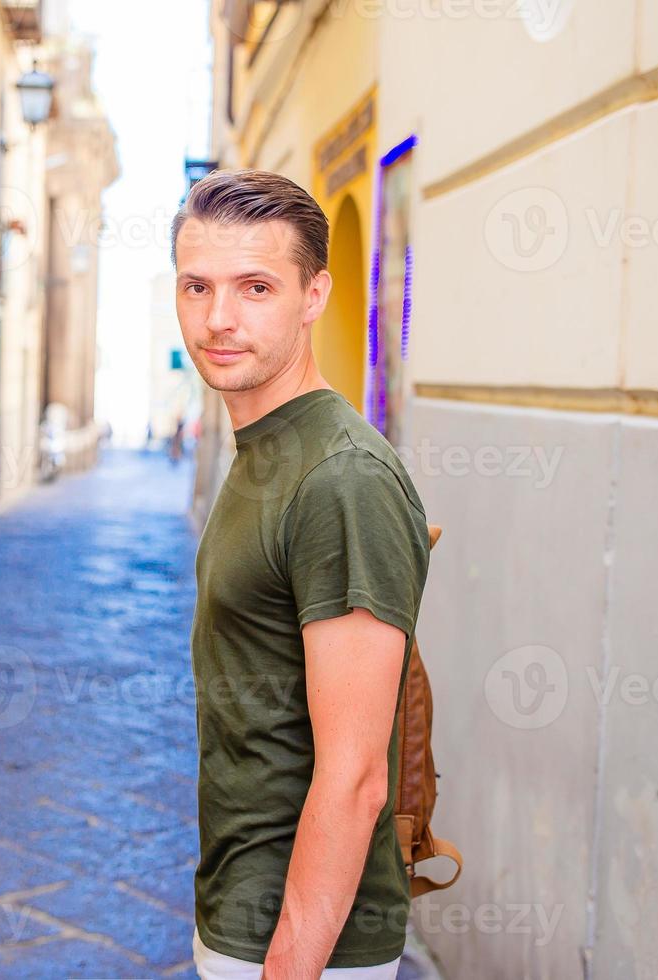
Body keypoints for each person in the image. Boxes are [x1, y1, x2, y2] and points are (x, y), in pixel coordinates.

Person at [172, 169, 430, 979]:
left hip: (300, 946)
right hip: (243, 908)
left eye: (256, 287)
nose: (219, 318)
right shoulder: (268, 448)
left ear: (314, 294)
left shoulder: (339, 478)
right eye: (197, 286)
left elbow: (355, 780)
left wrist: (288, 966)